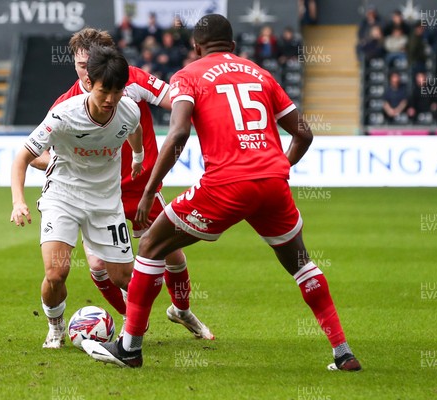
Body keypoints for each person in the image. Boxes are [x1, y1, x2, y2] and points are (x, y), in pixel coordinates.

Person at [83, 14, 362, 372]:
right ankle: (343, 352)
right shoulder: (260, 73)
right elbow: (304, 133)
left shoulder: (189, 75)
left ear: (196, 48)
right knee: (301, 264)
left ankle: (130, 348)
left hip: (225, 184)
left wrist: (151, 187)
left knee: (151, 245)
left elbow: (180, 132)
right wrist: (281, 169)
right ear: (232, 46)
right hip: (271, 182)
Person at [31, 28, 213, 340]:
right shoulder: (67, 104)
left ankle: (181, 310)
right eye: (80, 65)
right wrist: (71, 165)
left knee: (172, 252)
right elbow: (35, 154)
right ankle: (130, 320)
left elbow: (176, 102)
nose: (86, 72)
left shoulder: (133, 81)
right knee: (100, 266)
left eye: (91, 63)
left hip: (142, 187)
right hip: (95, 193)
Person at [11, 45, 144, 349]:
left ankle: (130, 331)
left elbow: (133, 129)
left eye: (118, 90)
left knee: (125, 277)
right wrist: (19, 201)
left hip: (106, 202)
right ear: (88, 84)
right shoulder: (63, 115)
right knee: (57, 272)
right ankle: (56, 327)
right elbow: (23, 157)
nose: (110, 99)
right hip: (63, 196)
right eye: (103, 91)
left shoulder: (128, 109)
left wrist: (138, 155)